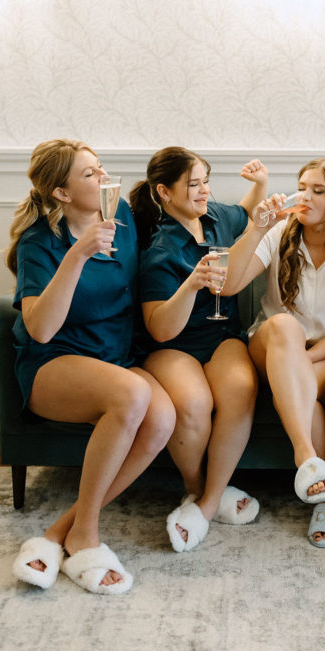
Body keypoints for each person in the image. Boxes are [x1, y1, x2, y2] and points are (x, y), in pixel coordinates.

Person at [8, 140, 175, 596]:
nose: (104, 179)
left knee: (163, 419)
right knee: (133, 395)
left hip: (115, 359)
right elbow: (40, 328)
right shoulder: (39, 242)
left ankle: (63, 530)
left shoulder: (122, 220)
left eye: (102, 169)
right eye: (89, 174)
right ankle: (89, 533)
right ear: (61, 193)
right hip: (54, 363)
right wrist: (77, 254)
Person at [222, 157, 325, 547]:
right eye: (302, 186)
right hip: (271, 342)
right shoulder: (278, 232)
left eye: (318, 190)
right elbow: (228, 286)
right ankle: (307, 456)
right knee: (284, 325)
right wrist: (257, 227)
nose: (305, 196)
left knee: (304, 391)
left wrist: (299, 362)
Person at [130, 149, 268, 553]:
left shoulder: (217, 217)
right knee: (192, 401)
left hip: (220, 335)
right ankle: (197, 491)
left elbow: (246, 212)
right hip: (172, 343)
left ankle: (209, 499)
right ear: (164, 192)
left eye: (205, 180)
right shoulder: (158, 248)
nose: (204, 190)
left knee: (241, 387)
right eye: (194, 184)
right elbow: (159, 328)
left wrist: (259, 185)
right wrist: (190, 284)